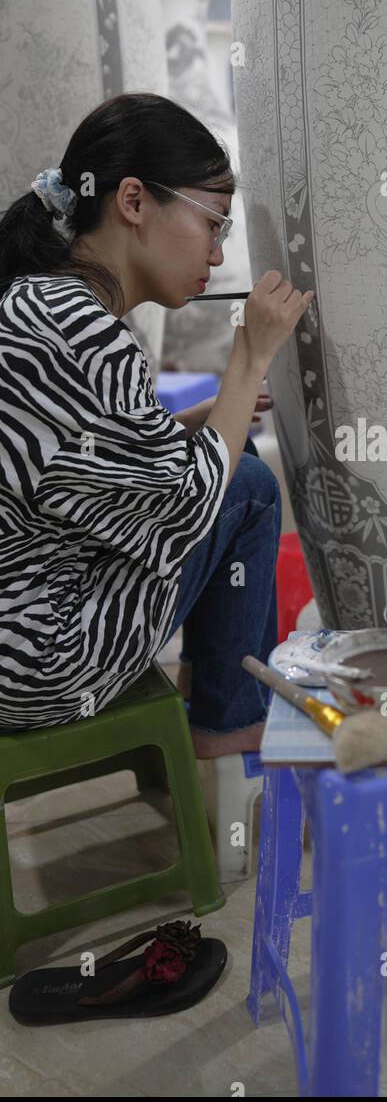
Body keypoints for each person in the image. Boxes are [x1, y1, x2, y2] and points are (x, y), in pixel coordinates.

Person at [0, 93, 313, 756]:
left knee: (229, 466)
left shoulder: (38, 298)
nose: (219, 255)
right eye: (213, 223)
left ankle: (216, 695)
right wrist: (251, 357)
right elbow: (190, 506)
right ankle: (228, 726)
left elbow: (68, 462)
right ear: (135, 202)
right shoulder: (83, 329)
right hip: (35, 660)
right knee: (247, 485)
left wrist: (183, 422)